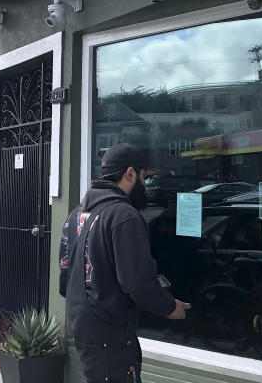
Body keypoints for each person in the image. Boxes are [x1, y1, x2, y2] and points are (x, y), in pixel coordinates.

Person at [59, 143, 190, 383]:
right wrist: (170, 307)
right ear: (130, 173)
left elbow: (64, 274)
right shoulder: (124, 215)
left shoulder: (76, 214)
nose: (146, 186)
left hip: (82, 326)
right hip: (111, 332)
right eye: (144, 178)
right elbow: (137, 282)